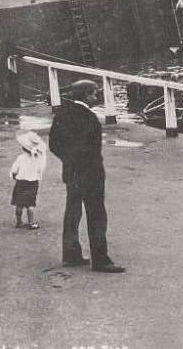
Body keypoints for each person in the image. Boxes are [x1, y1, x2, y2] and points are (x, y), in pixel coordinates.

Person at [48, 80, 126, 273]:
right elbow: (90, 149)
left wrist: (69, 160)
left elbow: (54, 144)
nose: (96, 96)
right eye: (93, 93)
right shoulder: (89, 118)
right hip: (90, 174)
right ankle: (101, 260)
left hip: (71, 172)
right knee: (97, 215)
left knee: (72, 212)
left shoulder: (62, 114)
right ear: (86, 95)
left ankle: (71, 253)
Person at [10, 130, 47, 230]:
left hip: (21, 182)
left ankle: (19, 222)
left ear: (23, 148)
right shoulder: (38, 158)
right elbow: (40, 170)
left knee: (19, 203)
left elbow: (14, 169)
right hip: (32, 183)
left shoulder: (20, 157)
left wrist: (13, 175)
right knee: (31, 203)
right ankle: (31, 223)